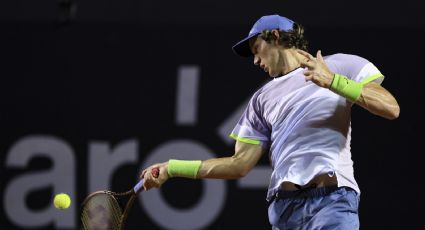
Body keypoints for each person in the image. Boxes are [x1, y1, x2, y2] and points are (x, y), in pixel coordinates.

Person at [141, 14, 400, 229]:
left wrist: (333, 81)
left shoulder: (340, 65)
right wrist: (173, 168)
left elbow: (390, 108)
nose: (255, 60)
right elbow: (238, 165)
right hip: (284, 212)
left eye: (257, 49)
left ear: (275, 36)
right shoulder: (261, 99)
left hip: (332, 203)